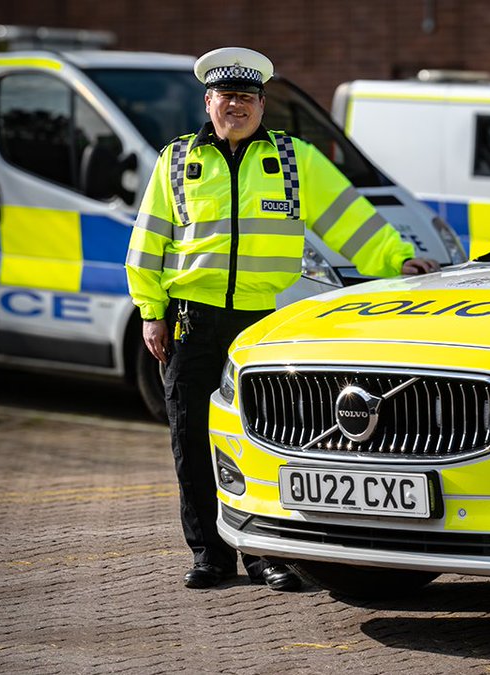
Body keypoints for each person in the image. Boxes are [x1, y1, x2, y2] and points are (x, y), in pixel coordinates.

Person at [125, 47, 439, 591]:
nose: (237, 106)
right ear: (209, 102)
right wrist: (152, 313)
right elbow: (148, 241)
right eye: (228, 97)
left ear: (263, 105)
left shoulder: (294, 160)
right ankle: (210, 554)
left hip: (257, 326)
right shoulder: (177, 161)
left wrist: (397, 259)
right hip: (191, 320)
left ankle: (264, 554)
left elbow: (349, 219)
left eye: (247, 98)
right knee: (193, 439)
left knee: (258, 441)